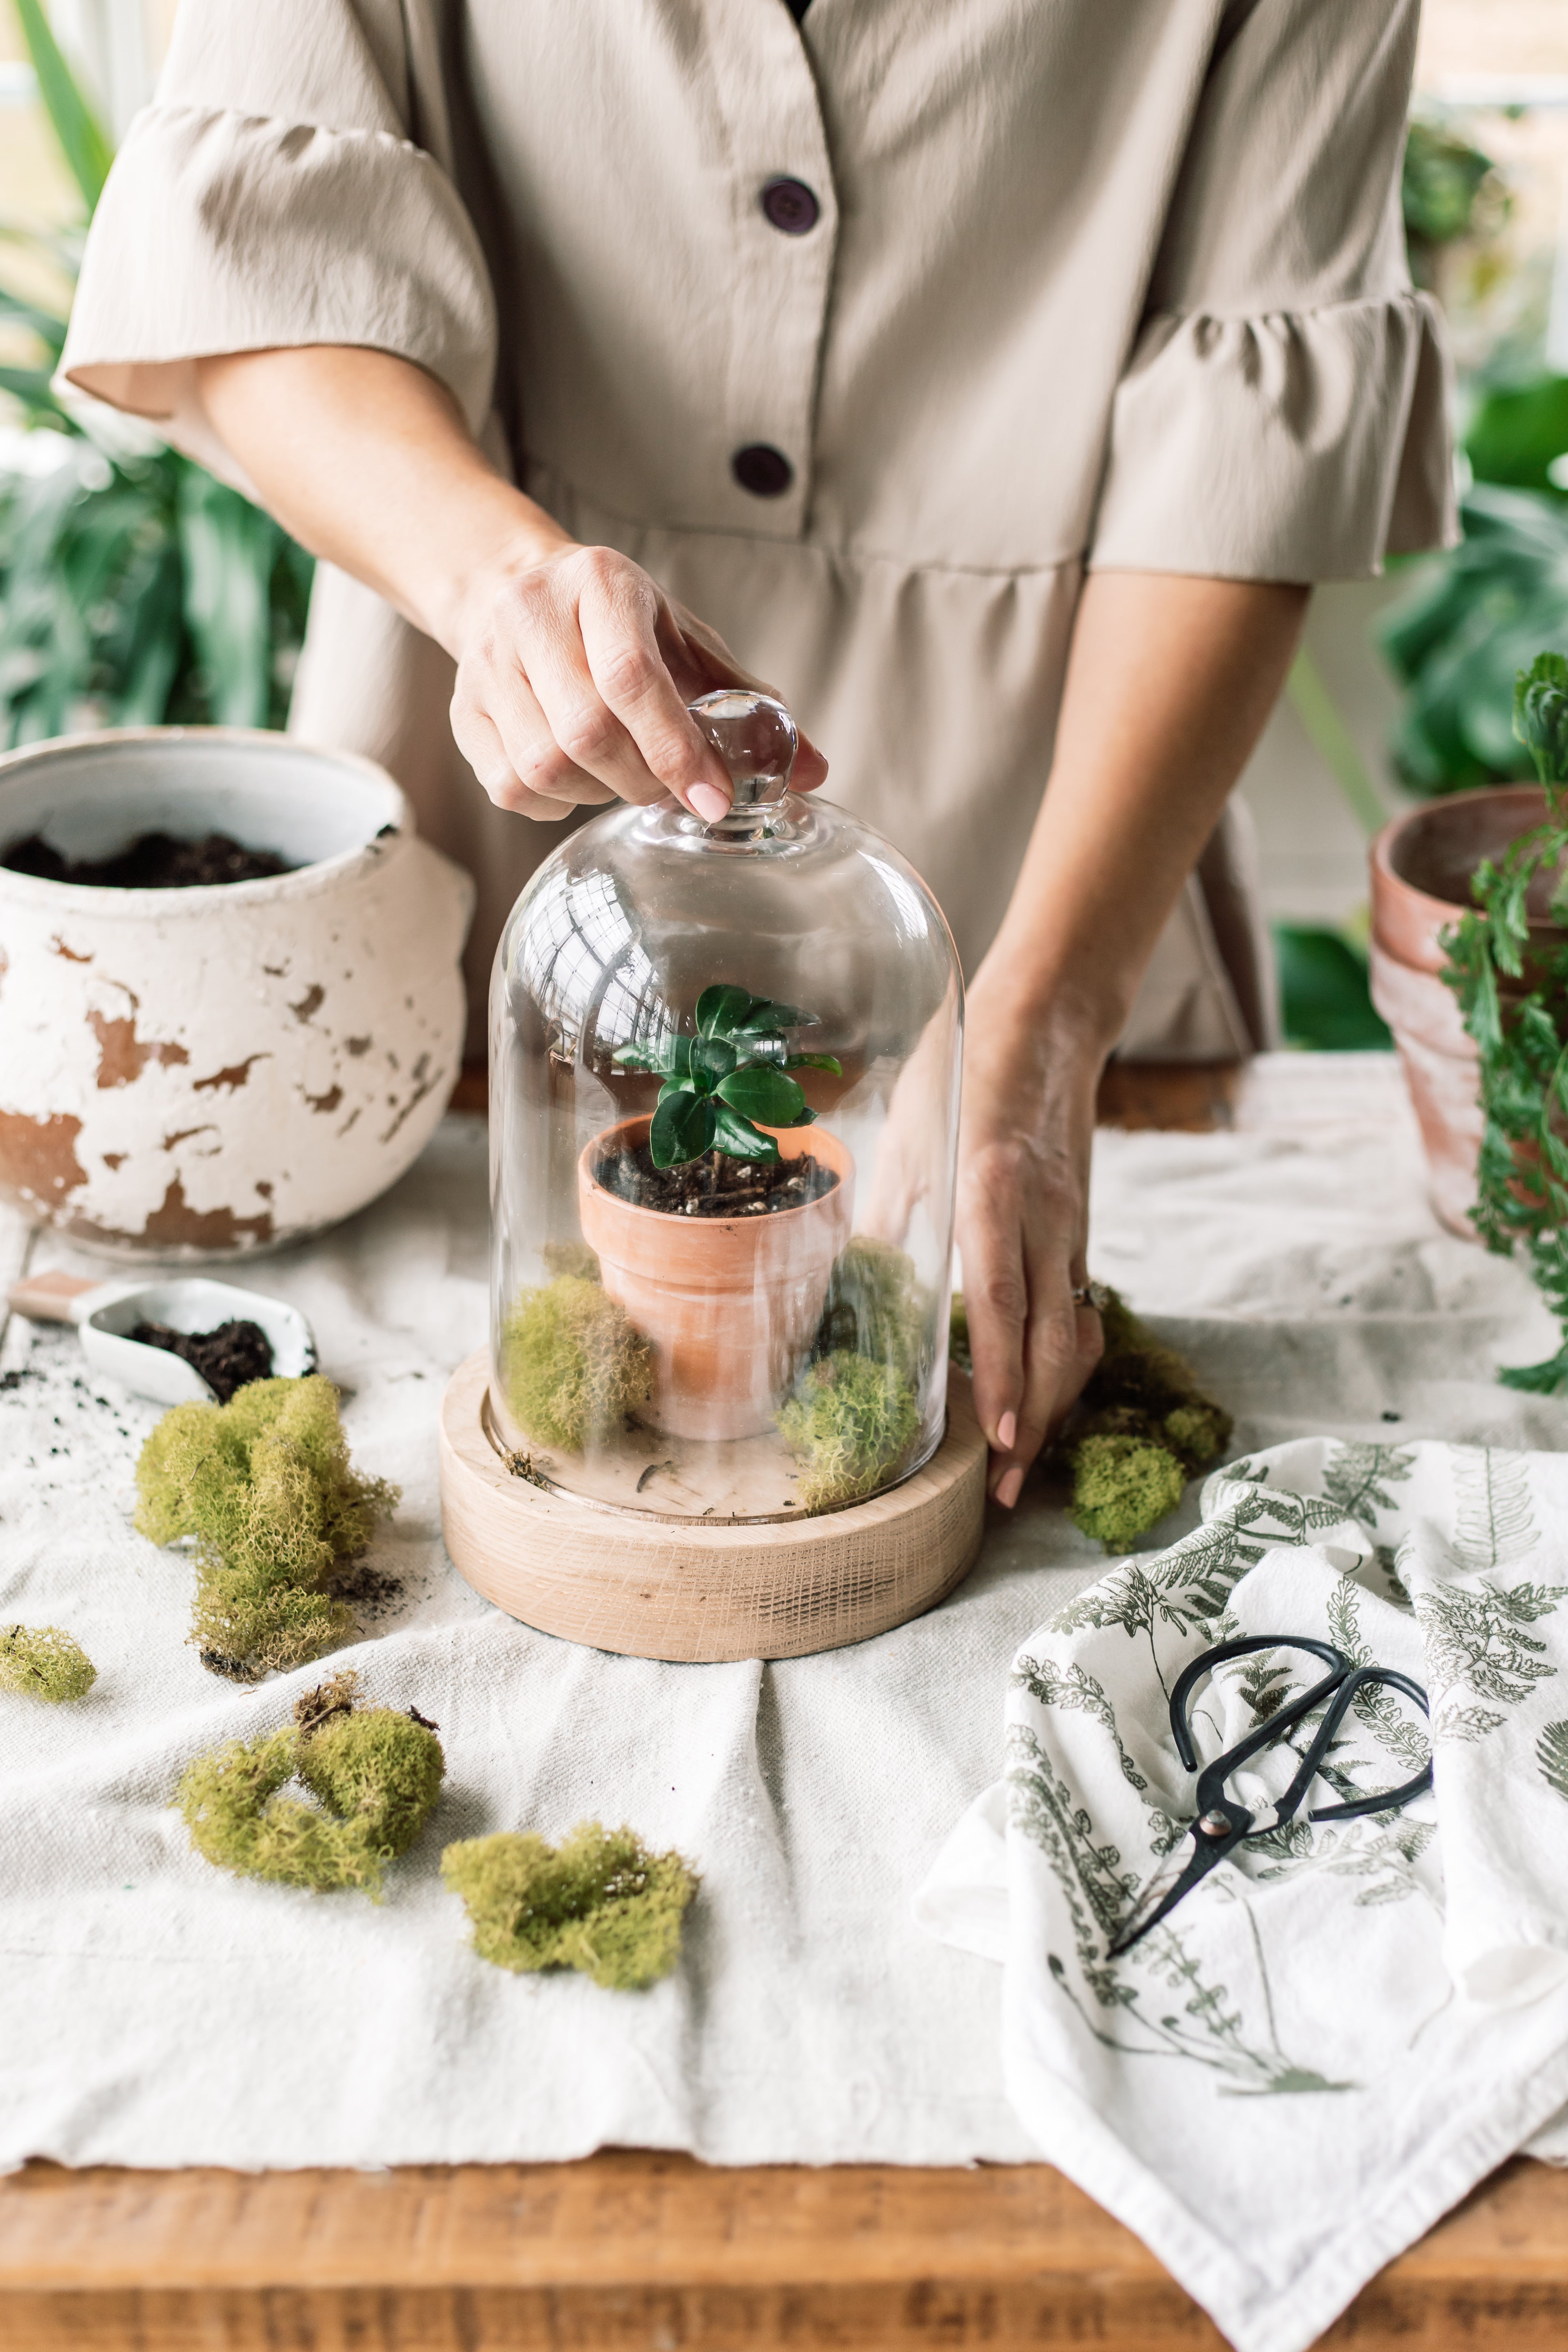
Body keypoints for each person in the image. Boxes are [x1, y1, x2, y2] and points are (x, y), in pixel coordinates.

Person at [60, 0, 1453, 1506]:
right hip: (492, 748)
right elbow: (257, 260)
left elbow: (1240, 446)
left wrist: (1038, 1038)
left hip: (1065, 818)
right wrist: (498, 585)